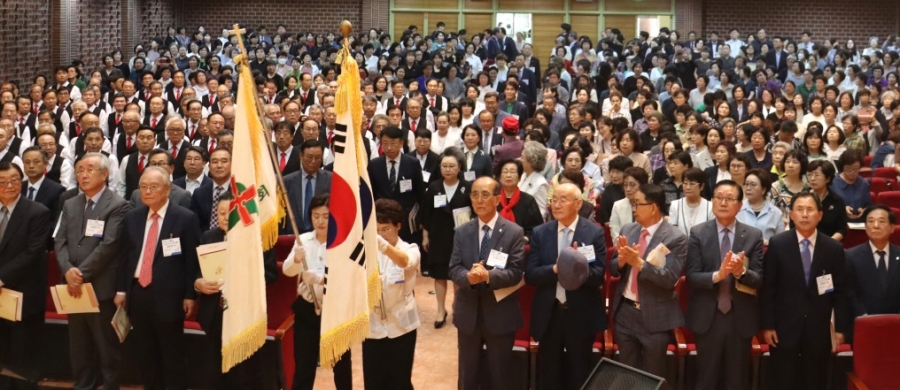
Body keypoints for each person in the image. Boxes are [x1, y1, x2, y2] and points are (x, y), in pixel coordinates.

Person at [115, 166, 200, 389]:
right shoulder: (132, 217)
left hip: (169, 296)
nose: (147, 191)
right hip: (138, 293)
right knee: (146, 354)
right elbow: (124, 257)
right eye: (143, 186)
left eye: (153, 187)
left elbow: (192, 260)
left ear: (167, 189)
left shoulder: (184, 218)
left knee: (172, 354)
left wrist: (190, 295)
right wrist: (122, 290)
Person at [761, 192, 853, 390]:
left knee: (815, 381)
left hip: (819, 328)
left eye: (810, 210)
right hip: (784, 328)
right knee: (783, 381)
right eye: (800, 210)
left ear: (820, 215)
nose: (804, 215)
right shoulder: (778, 244)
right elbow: (768, 288)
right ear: (792, 215)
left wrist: (839, 329)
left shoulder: (833, 248)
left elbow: (841, 293)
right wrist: (768, 325)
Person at [55, 153, 130, 390]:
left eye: (89, 169)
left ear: (105, 174)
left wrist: (81, 273)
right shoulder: (70, 203)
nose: (83, 174)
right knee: (79, 344)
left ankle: (109, 385)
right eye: (79, 170)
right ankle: (84, 384)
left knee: (105, 344)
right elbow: (60, 241)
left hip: (100, 286)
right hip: (73, 286)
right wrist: (68, 270)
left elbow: (109, 245)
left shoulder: (118, 205)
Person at [685, 180, 765, 390]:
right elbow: (692, 277)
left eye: (729, 199)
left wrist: (742, 273)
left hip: (740, 317)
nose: (723, 202)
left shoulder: (753, 235)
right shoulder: (698, 233)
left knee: (736, 380)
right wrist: (717, 275)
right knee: (706, 378)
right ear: (712, 201)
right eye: (719, 197)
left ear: (740, 205)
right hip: (707, 317)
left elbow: (758, 279)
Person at [526, 183, 606, 390]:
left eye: (563, 200)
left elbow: (598, 276)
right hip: (549, 314)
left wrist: (576, 268)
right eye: (554, 200)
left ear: (578, 204)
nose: (557, 204)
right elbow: (532, 275)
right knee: (549, 376)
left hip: (580, 314)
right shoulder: (540, 232)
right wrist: (556, 268)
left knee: (579, 374)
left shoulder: (593, 233)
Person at [449, 177, 526, 390]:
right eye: (475, 195)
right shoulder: (462, 232)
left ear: (497, 199)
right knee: (467, 375)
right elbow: (454, 269)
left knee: (500, 375)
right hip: (468, 314)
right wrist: (469, 278)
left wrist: (488, 276)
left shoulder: (513, 232)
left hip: (500, 314)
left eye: (485, 195)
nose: (479, 200)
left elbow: (515, 273)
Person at [194, 191, 277, 389]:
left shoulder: (258, 239)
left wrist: (242, 277)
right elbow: (196, 272)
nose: (225, 218)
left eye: (230, 213)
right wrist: (198, 284)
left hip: (243, 315)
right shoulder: (209, 236)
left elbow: (272, 275)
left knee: (242, 373)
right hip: (214, 313)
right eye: (221, 213)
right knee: (213, 371)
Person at [610, 183, 688, 380]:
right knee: (626, 375)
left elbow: (669, 278)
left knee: (651, 377)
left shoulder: (675, 238)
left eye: (637, 204)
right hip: (625, 312)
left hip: (656, 317)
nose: (634, 209)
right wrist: (620, 262)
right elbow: (612, 269)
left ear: (653, 207)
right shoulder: (628, 229)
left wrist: (639, 263)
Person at [283, 194, 352, 390]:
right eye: (316, 216)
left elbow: (348, 278)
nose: (320, 221)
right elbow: (288, 271)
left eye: (326, 216)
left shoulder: (343, 242)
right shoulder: (303, 239)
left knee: (342, 368)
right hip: (307, 309)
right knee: (304, 367)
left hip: (336, 311)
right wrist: (296, 259)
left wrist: (321, 279)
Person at [0, 161, 52, 389]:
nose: (9, 186)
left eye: (13, 180)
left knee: (21, 358)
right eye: (2, 182)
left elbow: (33, 252)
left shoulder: (37, 212)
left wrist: (1, 278)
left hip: (23, 292)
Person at [362, 198, 421, 389]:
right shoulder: (366, 251)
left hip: (401, 325)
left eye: (386, 229)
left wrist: (385, 247)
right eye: (377, 231)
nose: (381, 235)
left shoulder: (409, 249)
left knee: (399, 381)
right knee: (373, 382)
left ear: (398, 226)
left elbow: (406, 262)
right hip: (373, 325)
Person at [420, 147, 472, 327]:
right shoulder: (434, 187)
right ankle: (441, 310)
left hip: (461, 238)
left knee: (458, 276)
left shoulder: (468, 188)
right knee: (440, 275)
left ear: (459, 168)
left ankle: (457, 307)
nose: (447, 169)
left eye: (451, 166)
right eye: (444, 166)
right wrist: (425, 237)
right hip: (439, 237)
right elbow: (426, 215)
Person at [368, 126, 426, 243]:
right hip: (381, 221)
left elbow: (421, 194)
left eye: (393, 143)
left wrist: (421, 221)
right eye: (385, 143)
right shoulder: (374, 165)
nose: (389, 147)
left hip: (407, 221)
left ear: (401, 143)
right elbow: (371, 194)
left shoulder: (412, 163)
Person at [846, 205, 900, 321]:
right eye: (871, 221)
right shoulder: (851, 256)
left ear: (892, 227)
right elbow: (849, 292)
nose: (875, 226)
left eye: (881, 221)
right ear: (865, 227)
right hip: (862, 322)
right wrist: (863, 317)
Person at [283, 140, 332, 234]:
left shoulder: (331, 179)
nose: (313, 161)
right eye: (309, 157)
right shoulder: (287, 181)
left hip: (322, 234)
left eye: (317, 158)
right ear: (301, 156)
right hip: (294, 236)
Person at [496, 159, 543, 238]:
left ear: (519, 178)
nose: (508, 175)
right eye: (505, 172)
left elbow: (537, 228)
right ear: (500, 178)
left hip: (520, 244)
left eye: (512, 172)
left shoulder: (528, 200)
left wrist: (526, 238)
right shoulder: (494, 199)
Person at [737, 169, 785, 245]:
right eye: (746, 184)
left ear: (763, 189)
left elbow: (781, 241)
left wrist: (769, 243)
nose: (748, 188)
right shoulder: (737, 208)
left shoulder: (775, 212)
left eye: (753, 184)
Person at [190, 147, 232, 232]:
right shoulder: (199, 193)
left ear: (232, 164)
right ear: (209, 166)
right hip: (207, 242)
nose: (219, 166)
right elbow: (195, 225)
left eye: (224, 161)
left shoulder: (240, 191)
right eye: (215, 162)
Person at [805, 160, 848, 241]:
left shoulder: (837, 201)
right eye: (810, 175)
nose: (812, 178)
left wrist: (829, 243)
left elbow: (842, 229)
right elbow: (794, 225)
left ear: (828, 179)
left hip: (829, 244)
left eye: (817, 175)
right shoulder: (801, 199)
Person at [20, 146, 65, 219]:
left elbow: (54, 221)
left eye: (36, 162)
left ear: (46, 164)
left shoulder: (57, 190)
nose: (31, 166)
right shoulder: (19, 187)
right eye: (27, 162)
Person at [669, 167, 713, 237]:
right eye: (685, 183)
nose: (688, 187)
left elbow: (712, 233)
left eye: (692, 184)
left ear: (701, 186)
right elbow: (672, 232)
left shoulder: (710, 207)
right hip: (681, 245)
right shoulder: (675, 205)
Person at [831, 149, 871, 223]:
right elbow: (828, 206)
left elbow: (868, 205)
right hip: (837, 223)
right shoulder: (833, 182)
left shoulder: (864, 184)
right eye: (848, 169)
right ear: (843, 167)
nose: (852, 172)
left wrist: (864, 210)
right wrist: (842, 209)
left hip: (859, 223)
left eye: (856, 169)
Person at [610, 167, 649, 241]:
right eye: (625, 185)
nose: (628, 189)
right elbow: (615, 235)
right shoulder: (617, 206)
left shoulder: (650, 205)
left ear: (643, 186)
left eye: (632, 185)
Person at [519, 140, 550, 221]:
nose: (519, 159)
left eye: (522, 157)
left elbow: (541, 214)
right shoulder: (523, 176)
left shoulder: (540, 184)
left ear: (531, 161)